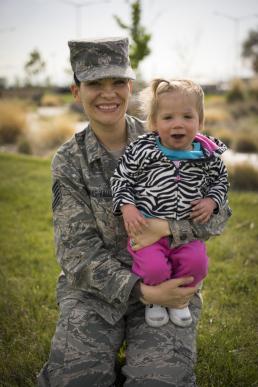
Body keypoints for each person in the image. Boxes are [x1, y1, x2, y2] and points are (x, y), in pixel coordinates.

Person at [37, 37, 231, 387]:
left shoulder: (170, 132)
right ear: (76, 91)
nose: (107, 94)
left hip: (169, 285)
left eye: (117, 83)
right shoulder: (68, 161)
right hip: (96, 293)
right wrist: (141, 291)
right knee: (75, 381)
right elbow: (76, 252)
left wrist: (167, 228)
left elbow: (219, 216)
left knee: (158, 382)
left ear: (130, 87)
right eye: (95, 83)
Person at [111, 79, 230, 329]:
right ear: (154, 123)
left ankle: (179, 300)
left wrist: (212, 200)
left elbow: (221, 181)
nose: (178, 124)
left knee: (197, 263)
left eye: (187, 116)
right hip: (147, 234)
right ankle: (154, 300)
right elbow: (120, 177)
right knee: (153, 267)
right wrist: (127, 206)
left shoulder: (207, 156)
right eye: (168, 118)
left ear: (200, 121)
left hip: (186, 234)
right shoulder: (142, 151)